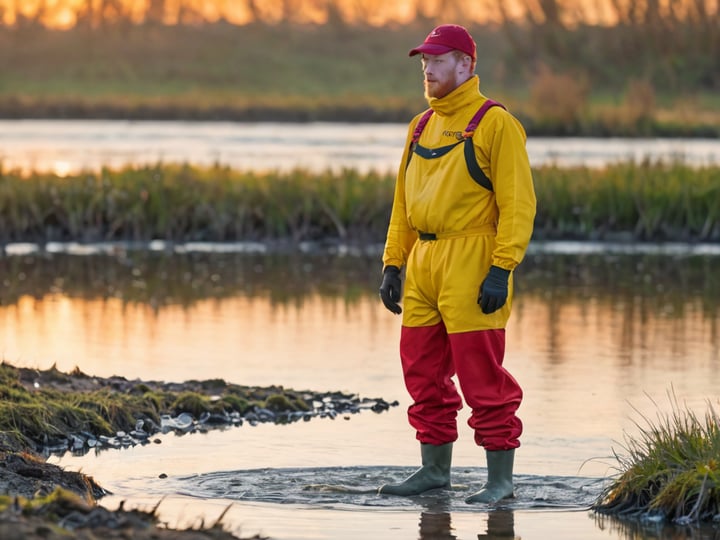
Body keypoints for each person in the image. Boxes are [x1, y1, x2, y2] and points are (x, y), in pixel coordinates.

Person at [378, 23, 536, 504]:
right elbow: (402, 204)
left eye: (438, 60)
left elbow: (518, 205)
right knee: (422, 374)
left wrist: (501, 267)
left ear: (466, 65)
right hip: (423, 261)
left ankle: (500, 481)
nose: (427, 69)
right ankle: (434, 472)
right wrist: (392, 264)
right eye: (424, 61)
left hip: (473, 260)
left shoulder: (495, 123)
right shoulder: (420, 125)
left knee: (482, 378)